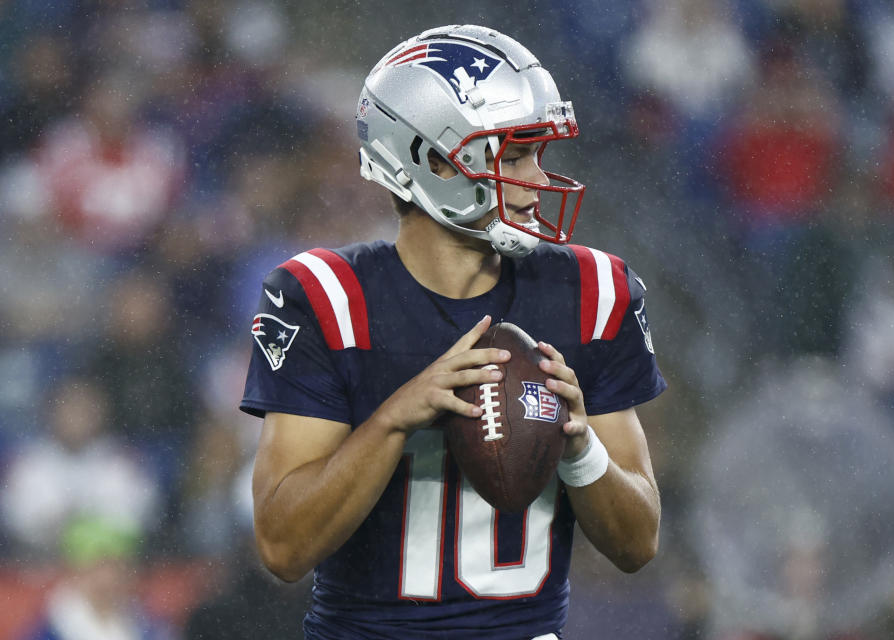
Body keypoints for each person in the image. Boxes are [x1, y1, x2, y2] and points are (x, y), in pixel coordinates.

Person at [240, 24, 666, 639]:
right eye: (513, 156)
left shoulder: (590, 291)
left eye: (537, 156)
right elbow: (282, 547)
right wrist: (392, 419)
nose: (539, 182)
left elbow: (638, 543)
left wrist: (578, 447)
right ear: (435, 160)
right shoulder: (327, 298)